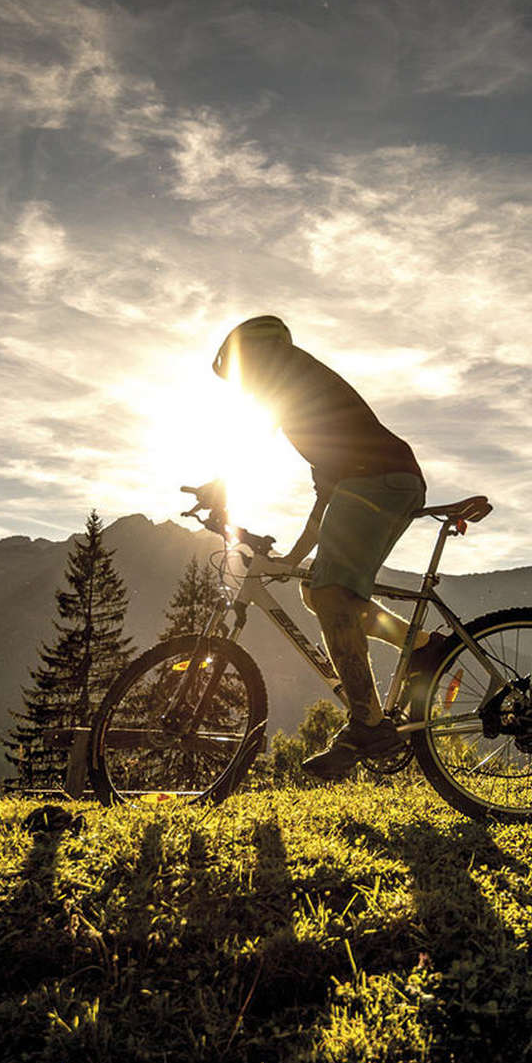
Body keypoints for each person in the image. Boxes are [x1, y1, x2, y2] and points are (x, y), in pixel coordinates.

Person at [212, 315, 438, 779]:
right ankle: (421, 646)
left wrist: (220, 485)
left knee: (332, 594)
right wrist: (293, 560)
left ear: (260, 356)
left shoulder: (291, 378)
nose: (243, 387)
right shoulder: (312, 403)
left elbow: (252, 442)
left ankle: (367, 725)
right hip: (383, 481)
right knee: (318, 590)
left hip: (380, 482)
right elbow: (327, 497)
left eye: (242, 373)